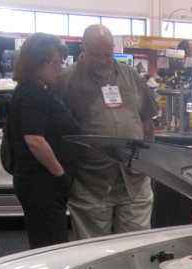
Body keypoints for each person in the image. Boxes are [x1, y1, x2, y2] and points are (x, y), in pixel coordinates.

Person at [55, 24, 158, 239]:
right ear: (83, 48)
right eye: (96, 55)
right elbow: (57, 131)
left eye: (107, 55)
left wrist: (146, 159)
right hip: (90, 181)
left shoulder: (130, 75)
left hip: (134, 179)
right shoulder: (66, 80)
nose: (103, 61)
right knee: (94, 250)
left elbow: (147, 119)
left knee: (136, 246)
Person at [9, 33, 79, 249]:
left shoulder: (36, 91)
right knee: (50, 245)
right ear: (36, 63)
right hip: (42, 184)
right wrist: (61, 176)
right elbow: (35, 140)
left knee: (48, 242)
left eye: (61, 62)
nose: (59, 69)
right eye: (54, 63)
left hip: (42, 183)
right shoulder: (32, 94)